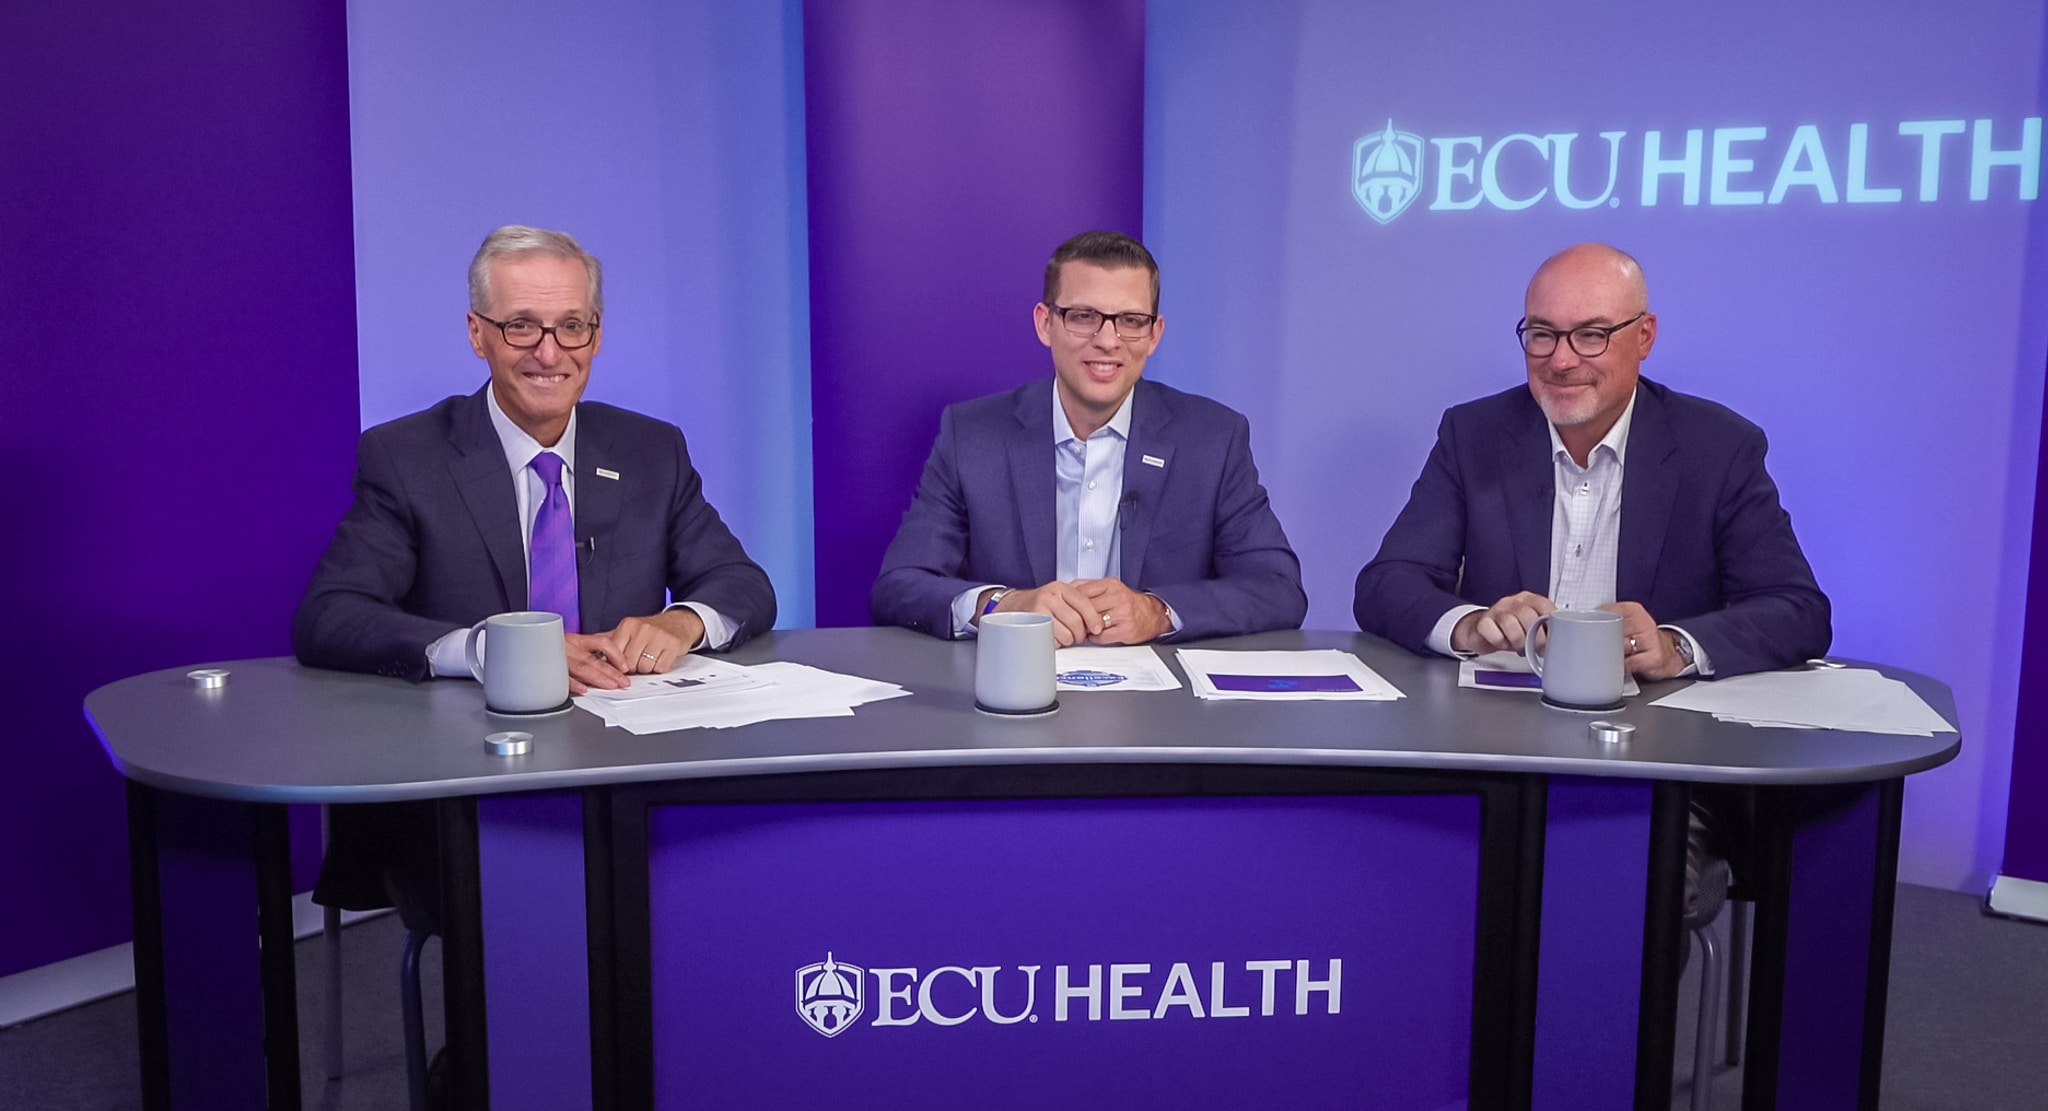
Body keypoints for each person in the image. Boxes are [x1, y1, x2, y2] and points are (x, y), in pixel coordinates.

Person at [295, 225, 776, 911]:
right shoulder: (406, 457)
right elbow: (330, 613)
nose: (550, 352)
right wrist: (494, 649)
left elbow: (744, 584)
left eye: (571, 326)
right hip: (468, 796)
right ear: (477, 333)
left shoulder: (650, 450)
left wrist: (682, 621)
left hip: (629, 784)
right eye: (522, 326)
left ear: (596, 334)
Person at [1353, 242, 1830, 920]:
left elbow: (1797, 609)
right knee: (1398, 867)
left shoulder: (1717, 447)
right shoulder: (1475, 433)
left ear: (1645, 337)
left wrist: (1676, 644)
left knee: (1620, 895)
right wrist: (1470, 622)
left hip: (1658, 770)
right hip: (1489, 751)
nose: (1562, 358)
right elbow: (1386, 583)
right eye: (1542, 334)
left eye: (1592, 334)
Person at [872, 231, 1305, 646]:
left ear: (1154, 335)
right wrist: (1004, 605)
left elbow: (1278, 589)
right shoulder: (973, 436)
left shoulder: (1212, 439)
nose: (1107, 341)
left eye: (1131, 321)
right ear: (1046, 324)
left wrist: (1156, 612)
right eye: (1084, 317)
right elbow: (900, 586)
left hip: (1164, 712)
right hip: (1014, 698)